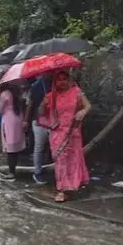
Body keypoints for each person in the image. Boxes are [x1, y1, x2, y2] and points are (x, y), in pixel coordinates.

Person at [39, 71, 91, 202]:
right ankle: (62, 189)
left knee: (73, 159)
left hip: (73, 131)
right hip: (58, 133)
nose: (62, 82)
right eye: (59, 80)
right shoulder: (51, 96)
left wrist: (82, 112)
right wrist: (43, 103)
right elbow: (40, 113)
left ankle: (72, 186)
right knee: (61, 160)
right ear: (54, 82)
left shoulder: (77, 91)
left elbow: (88, 106)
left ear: (69, 80)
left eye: (64, 79)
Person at [23, 76, 51, 185]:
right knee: (39, 147)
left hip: (54, 121)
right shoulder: (37, 86)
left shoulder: (57, 83)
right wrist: (26, 120)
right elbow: (30, 104)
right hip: (39, 121)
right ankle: (37, 172)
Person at [0, 83, 26, 182]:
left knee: (10, 148)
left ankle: (11, 173)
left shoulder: (5, 94)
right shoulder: (17, 93)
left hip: (8, 121)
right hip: (18, 119)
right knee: (15, 148)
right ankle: (13, 171)